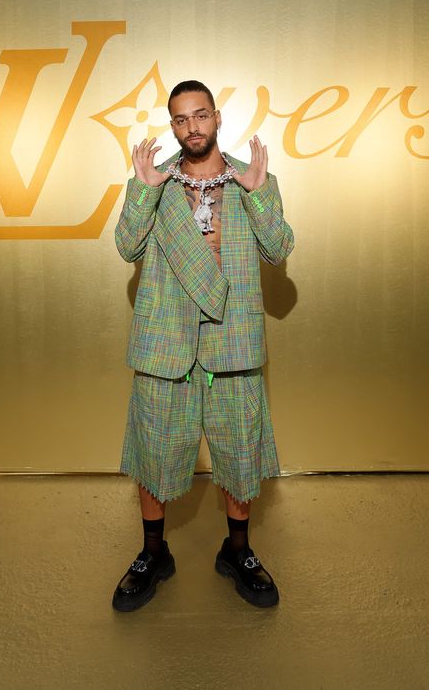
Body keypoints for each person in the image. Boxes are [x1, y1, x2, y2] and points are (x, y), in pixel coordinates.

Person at [112, 80, 294, 612]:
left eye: (200, 116)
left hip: (232, 337)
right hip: (165, 338)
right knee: (155, 449)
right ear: (172, 126)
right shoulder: (153, 180)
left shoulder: (252, 178)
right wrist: (143, 190)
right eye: (180, 119)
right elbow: (126, 248)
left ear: (216, 118)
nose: (192, 127)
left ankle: (237, 552)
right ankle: (153, 553)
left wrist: (259, 195)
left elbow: (279, 247)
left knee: (239, 451)